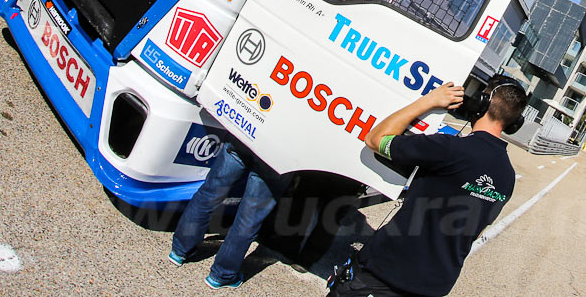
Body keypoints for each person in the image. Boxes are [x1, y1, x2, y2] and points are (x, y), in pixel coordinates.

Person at [327, 75, 527, 297]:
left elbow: (375, 139)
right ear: (514, 123)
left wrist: (428, 101)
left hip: (385, 274)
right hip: (435, 287)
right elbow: (478, 231)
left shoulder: (447, 148)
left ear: (481, 102)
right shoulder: (508, 176)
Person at [170, 140, 291, 289]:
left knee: (210, 193)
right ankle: (222, 274)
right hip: (279, 156)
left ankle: (180, 249)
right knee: (249, 218)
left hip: (248, 132)